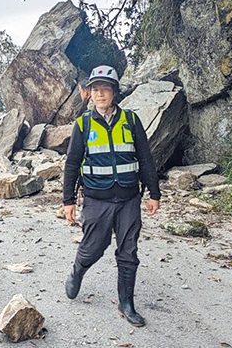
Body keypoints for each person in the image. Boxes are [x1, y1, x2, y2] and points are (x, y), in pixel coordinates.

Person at [62, 65, 161, 327]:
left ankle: (126, 304)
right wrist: (68, 201)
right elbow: (72, 164)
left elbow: (145, 158)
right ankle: (78, 270)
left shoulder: (130, 120)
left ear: (114, 92)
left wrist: (154, 193)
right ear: (89, 93)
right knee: (94, 247)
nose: (100, 94)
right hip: (97, 199)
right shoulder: (83, 124)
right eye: (96, 89)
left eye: (105, 89)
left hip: (129, 198)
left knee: (128, 251)